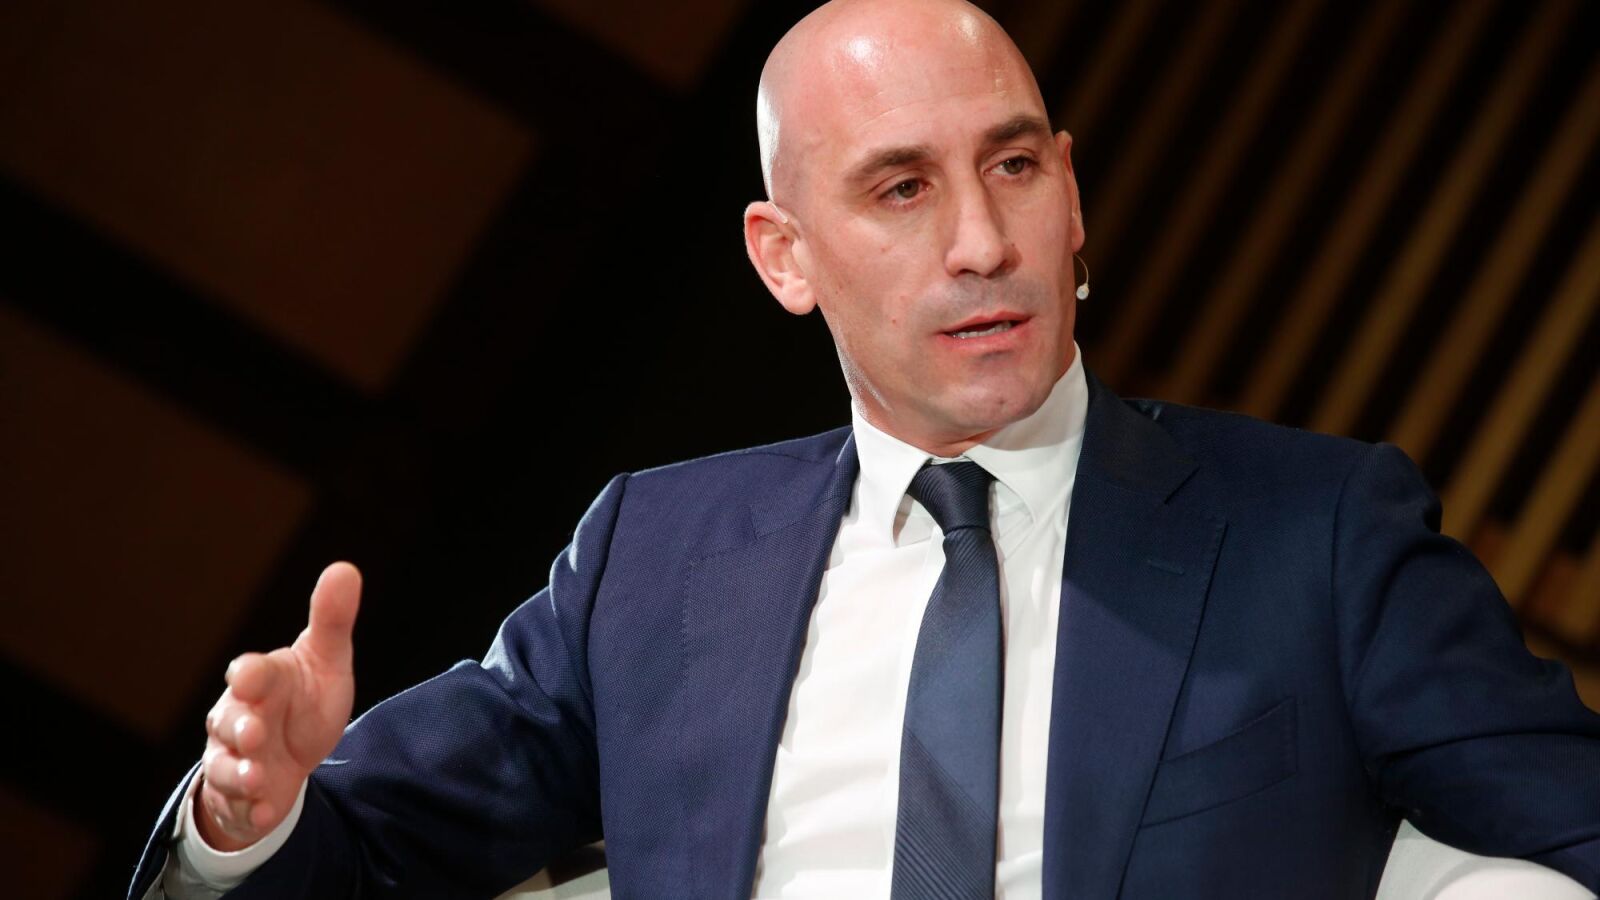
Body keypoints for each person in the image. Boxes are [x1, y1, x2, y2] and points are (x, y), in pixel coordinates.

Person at [130, 0, 1600, 897]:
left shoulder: (1312, 531)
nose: (983, 242)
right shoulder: (659, 558)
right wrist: (247, 815)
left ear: (1072, 193)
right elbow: (361, 862)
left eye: (1012, 166)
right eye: (902, 190)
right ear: (784, 255)